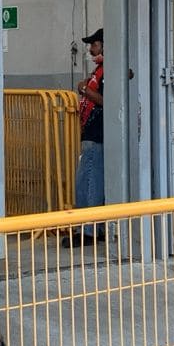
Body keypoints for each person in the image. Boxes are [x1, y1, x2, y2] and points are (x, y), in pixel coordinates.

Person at [67, 28, 105, 246]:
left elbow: (106, 99)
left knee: (89, 182)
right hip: (92, 135)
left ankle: (88, 231)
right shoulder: (99, 70)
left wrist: (84, 89)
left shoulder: (108, 71)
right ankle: (93, 229)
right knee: (89, 181)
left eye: (95, 45)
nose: (91, 49)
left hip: (96, 135)